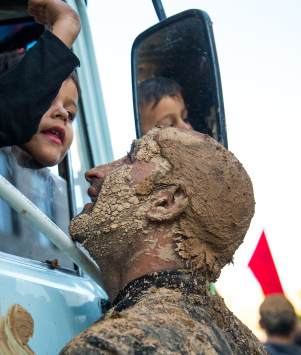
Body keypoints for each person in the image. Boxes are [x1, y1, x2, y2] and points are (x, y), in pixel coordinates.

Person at [60, 126, 268, 354]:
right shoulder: (248, 344)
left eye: (131, 159)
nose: (95, 172)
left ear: (166, 203)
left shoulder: (113, 345)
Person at [0, 0, 81, 168]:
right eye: (45, 99)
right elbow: (7, 119)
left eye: (71, 113)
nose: (64, 114)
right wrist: (68, 24)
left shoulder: (48, 191)